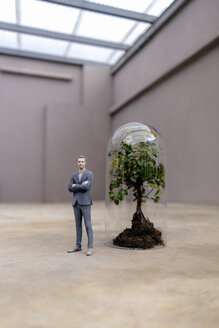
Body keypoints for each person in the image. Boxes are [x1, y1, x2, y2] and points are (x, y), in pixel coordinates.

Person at [67, 155, 94, 256]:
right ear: (77, 163)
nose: (80, 163)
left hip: (86, 202)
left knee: (88, 225)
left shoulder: (89, 174)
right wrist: (80, 185)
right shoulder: (73, 175)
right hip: (76, 203)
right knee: (78, 225)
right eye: (79, 161)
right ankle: (78, 245)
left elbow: (86, 187)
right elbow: (69, 188)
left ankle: (90, 247)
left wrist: (76, 185)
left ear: (85, 163)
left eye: (82, 161)